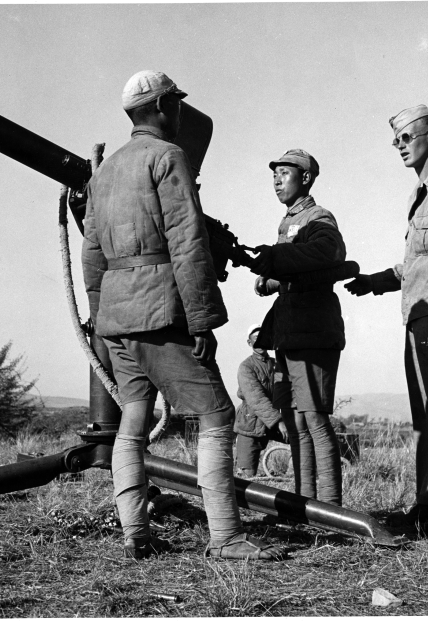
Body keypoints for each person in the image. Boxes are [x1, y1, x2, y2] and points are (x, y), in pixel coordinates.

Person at [81, 70, 283, 560]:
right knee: (218, 414)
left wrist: (101, 317)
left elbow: (91, 253)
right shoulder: (169, 157)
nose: (178, 112)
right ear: (161, 107)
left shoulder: (103, 172)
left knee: (133, 417)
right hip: (160, 310)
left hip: (116, 317)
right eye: (174, 103)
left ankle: (135, 531)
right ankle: (227, 536)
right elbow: (187, 243)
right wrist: (201, 320)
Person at [344, 105, 428, 535]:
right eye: (396, 140)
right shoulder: (419, 196)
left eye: (406, 137)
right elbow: (421, 263)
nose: (399, 146)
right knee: (427, 416)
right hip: (418, 319)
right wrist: (376, 281)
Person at [248, 149, 346, 506]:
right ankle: (306, 506)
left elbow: (328, 253)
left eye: (284, 173)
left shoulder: (317, 217)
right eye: (274, 175)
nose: (277, 180)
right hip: (291, 332)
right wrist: (271, 279)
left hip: (312, 330)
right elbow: (301, 271)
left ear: (305, 178)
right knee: (296, 424)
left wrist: (276, 258)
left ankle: (331, 509)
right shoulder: (289, 221)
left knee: (314, 421)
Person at [233, 324, 289, 477]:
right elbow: (256, 399)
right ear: (249, 342)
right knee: (246, 476)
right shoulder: (246, 367)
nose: (260, 342)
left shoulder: (277, 364)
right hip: (250, 425)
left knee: (303, 439)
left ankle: (293, 475)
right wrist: (279, 422)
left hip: (273, 423)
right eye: (256, 338)